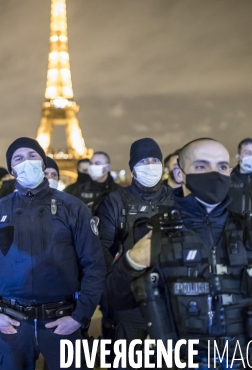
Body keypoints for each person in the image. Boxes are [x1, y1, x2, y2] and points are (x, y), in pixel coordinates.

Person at [106, 138, 252, 368]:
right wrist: (131, 263)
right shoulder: (153, 232)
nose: (214, 173)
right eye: (201, 166)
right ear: (181, 173)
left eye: (222, 166)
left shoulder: (251, 232)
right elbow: (116, 299)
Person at [0, 137, 105, 370]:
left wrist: (79, 317)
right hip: (13, 323)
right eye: (18, 158)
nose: (26, 161)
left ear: (43, 162)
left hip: (62, 320)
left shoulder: (73, 208)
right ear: (12, 169)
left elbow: (94, 265)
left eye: (32, 155)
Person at [95, 138, 175, 351]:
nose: (150, 165)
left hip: (169, 296)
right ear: (132, 169)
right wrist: (114, 283)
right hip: (128, 297)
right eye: (143, 162)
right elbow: (103, 246)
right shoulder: (115, 201)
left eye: (154, 160)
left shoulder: (176, 199)